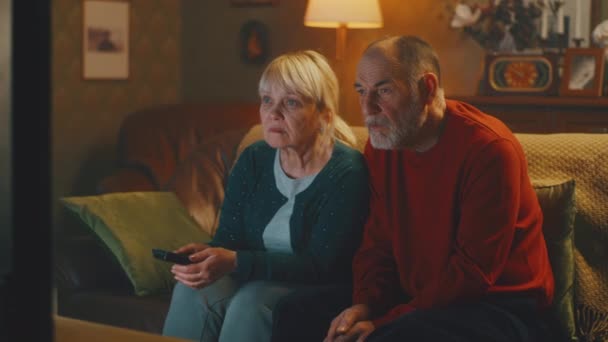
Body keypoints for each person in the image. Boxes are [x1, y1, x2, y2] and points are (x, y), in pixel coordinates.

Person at [287, 35, 554, 341]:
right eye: (361, 91)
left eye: (383, 91)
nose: (367, 108)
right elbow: (378, 242)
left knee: (388, 337)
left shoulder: (489, 149)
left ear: (427, 88)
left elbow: (472, 274)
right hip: (420, 298)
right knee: (295, 312)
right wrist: (364, 304)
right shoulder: (383, 146)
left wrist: (384, 322)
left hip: (501, 307)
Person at [161, 50, 369, 342]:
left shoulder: (347, 171)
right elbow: (230, 240)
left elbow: (322, 266)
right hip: (256, 276)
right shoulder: (253, 159)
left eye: (291, 102)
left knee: (252, 302)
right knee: (193, 289)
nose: (274, 113)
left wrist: (235, 261)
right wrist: (209, 253)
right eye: (267, 100)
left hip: (320, 287)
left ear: (324, 115)